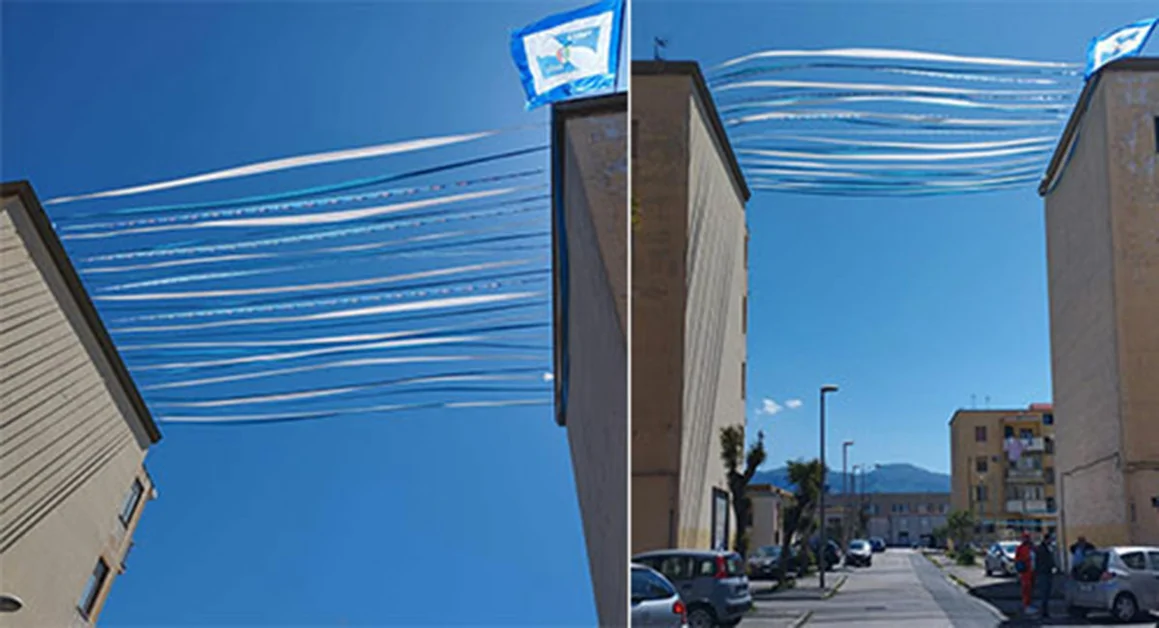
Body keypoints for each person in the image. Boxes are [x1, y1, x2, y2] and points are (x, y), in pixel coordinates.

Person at [1034, 534, 1057, 618]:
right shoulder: (1041, 549)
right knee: (1044, 593)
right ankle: (1044, 612)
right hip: (1043, 573)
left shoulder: (1048, 548)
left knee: (1047, 593)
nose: (1051, 541)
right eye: (1050, 540)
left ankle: (1045, 611)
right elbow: (1041, 562)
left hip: (1047, 573)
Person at [1015, 532, 1036, 615]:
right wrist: (1019, 571)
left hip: (1032, 571)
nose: (1026, 539)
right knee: (1026, 588)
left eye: (1027, 537)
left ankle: (1029, 604)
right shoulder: (1020, 548)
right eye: (1025, 537)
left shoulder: (1032, 547)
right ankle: (1026, 605)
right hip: (1025, 571)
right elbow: (1017, 560)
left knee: (1031, 588)